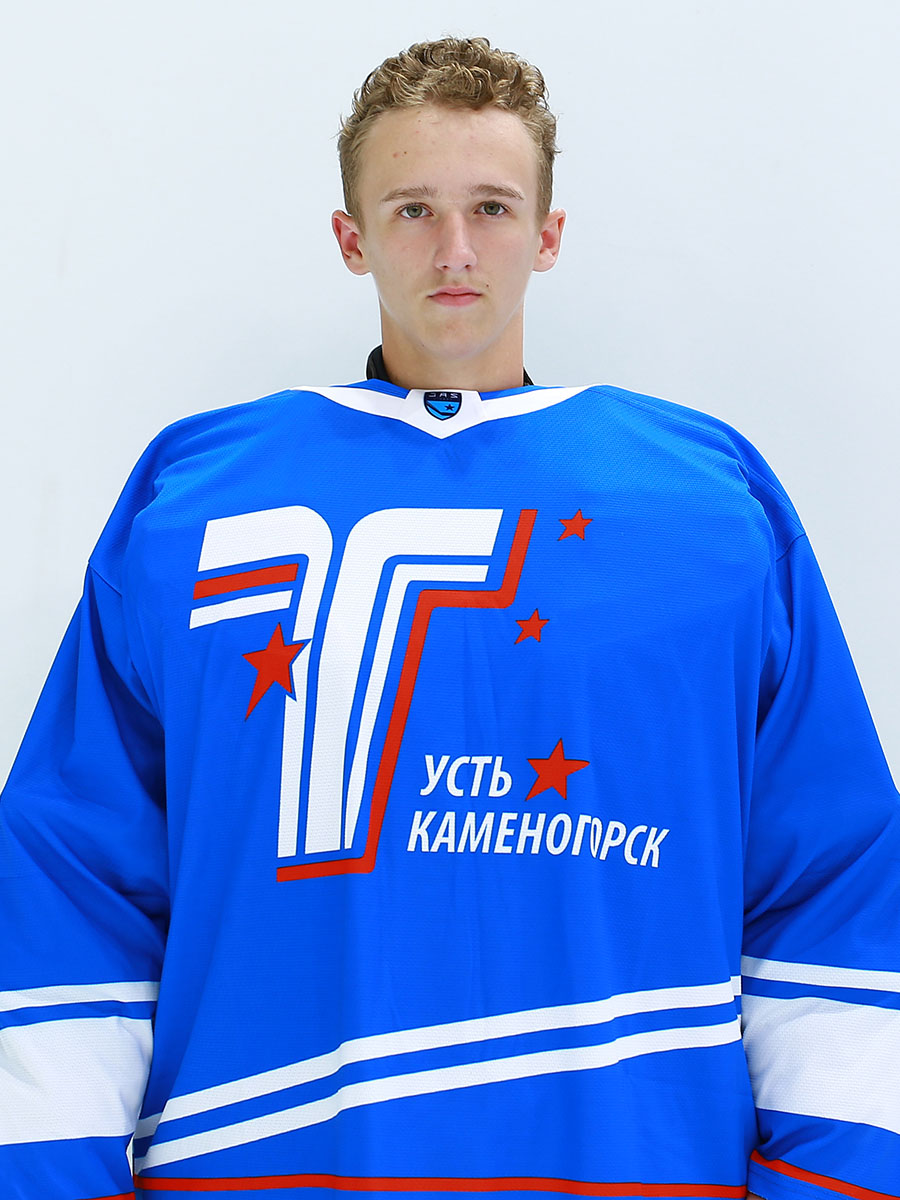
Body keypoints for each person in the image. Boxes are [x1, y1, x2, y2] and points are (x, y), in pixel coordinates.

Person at [0, 35, 897, 1200]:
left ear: (550, 234)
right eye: (414, 209)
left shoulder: (711, 505)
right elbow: (72, 881)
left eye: (492, 208)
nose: (457, 249)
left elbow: (833, 882)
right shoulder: (193, 500)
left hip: (633, 1170)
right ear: (352, 237)